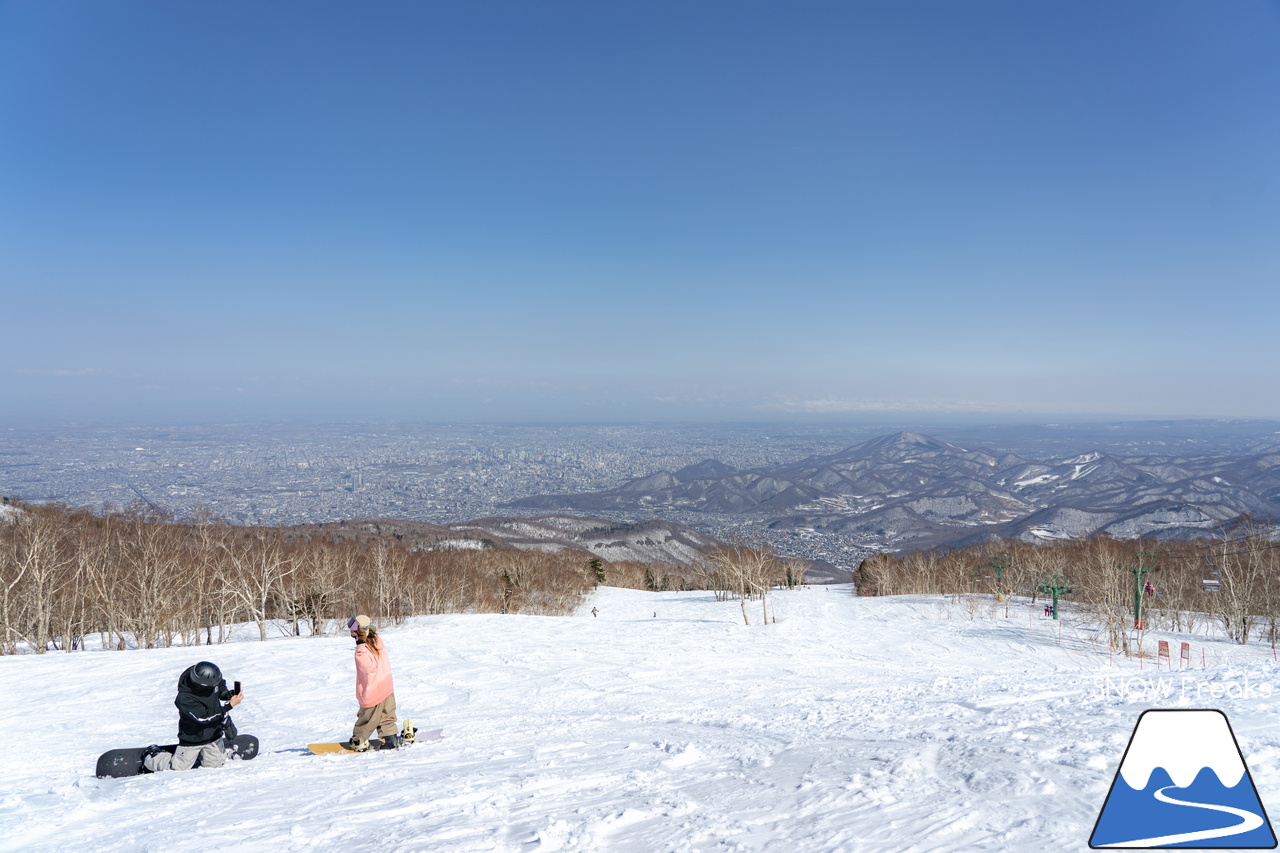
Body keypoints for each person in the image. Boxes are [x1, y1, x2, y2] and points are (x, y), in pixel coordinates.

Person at [143, 661, 243, 772]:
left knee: (215, 765)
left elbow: (220, 686)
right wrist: (229, 706)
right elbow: (204, 718)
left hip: (214, 734)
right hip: (193, 737)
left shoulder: (212, 680)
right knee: (178, 768)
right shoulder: (184, 698)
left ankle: (206, 754)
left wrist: (226, 694)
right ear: (202, 685)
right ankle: (153, 756)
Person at [347, 614, 402, 751]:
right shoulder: (376, 641)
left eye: (353, 626)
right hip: (386, 687)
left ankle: (358, 741)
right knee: (386, 716)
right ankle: (391, 739)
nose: (350, 630)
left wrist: (360, 646)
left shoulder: (364, 648)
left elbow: (367, 668)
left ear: (360, 629)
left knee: (367, 719)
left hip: (373, 690)